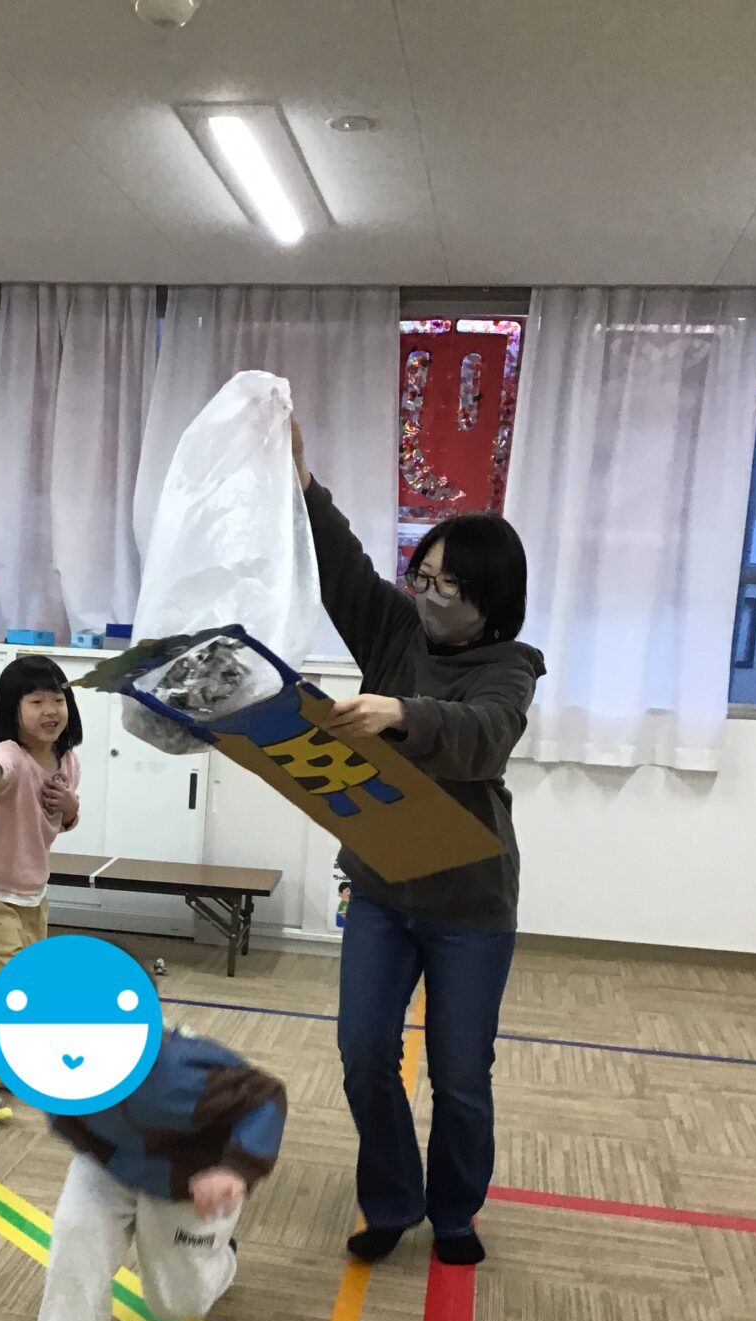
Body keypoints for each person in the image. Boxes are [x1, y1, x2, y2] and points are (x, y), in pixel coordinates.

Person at [292, 420, 545, 1267]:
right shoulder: (394, 631)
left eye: (449, 587)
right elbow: (341, 565)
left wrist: (400, 712)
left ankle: (456, 1211)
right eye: (423, 577)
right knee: (364, 1053)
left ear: (491, 601)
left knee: (461, 1075)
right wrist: (303, 479)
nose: (429, 596)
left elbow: (483, 738)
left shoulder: (511, 667)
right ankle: (392, 1200)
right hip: (381, 887)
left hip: (470, 903)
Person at [17, 1025, 287, 1321]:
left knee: (178, 1306)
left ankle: (222, 1256)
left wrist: (236, 1169)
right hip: (108, 1165)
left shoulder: (185, 1071)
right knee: (74, 1245)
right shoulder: (46, 1057)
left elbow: (267, 1097)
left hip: (190, 1182)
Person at [0, 656, 82, 1123]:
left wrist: (70, 804)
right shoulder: (10, 753)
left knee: (32, 991)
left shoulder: (68, 760)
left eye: (58, 700)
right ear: (14, 709)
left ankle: (6, 1068)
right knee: (13, 993)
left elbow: (63, 821)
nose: (50, 711)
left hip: (32, 895)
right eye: (36, 702)